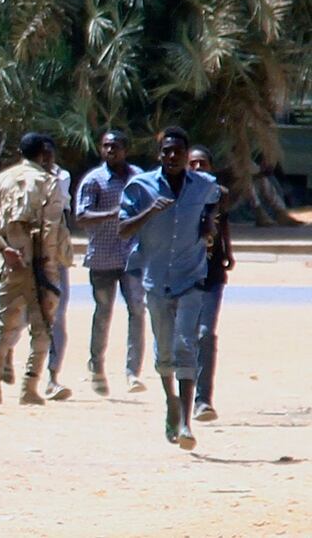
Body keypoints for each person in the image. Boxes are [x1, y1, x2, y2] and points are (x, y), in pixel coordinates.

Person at [119, 127, 221, 450]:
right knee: (164, 352)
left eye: (178, 151)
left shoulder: (202, 184)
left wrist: (208, 221)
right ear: (159, 155)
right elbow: (123, 230)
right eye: (167, 151)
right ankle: (171, 403)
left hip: (191, 279)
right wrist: (150, 211)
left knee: (185, 346)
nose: (172, 156)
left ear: (187, 154)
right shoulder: (141, 187)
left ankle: (186, 422)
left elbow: (222, 195)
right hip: (156, 279)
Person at [0, 132, 65, 405]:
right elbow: (51, 227)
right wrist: (48, 263)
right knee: (42, 327)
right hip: (41, 263)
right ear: (43, 153)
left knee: (5, 325)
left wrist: (4, 248)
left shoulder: (2, 179)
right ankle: (29, 387)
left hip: (13, 261)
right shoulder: (49, 183)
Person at [75, 130, 147, 396]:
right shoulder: (94, 181)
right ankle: (96, 366)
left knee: (137, 311)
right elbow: (82, 217)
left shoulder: (138, 178)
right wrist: (112, 214)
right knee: (103, 312)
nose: (110, 151)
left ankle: (132, 373)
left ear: (125, 149)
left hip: (133, 257)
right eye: (106, 146)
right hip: (103, 257)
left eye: (115, 146)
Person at [2, 147, 75, 401]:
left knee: (56, 316)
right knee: (21, 311)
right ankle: (8, 354)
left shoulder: (59, 179)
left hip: (53, 258)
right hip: (27, 257)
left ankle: (51, 378)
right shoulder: (14, 181)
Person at [188, 145, 234, 422]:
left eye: (202, 163)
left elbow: (224, 223)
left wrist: (228, 251)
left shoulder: (219, 195)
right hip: (183, 275)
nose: (197, 168)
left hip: (212, 275)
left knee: (205, 333)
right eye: (192, 163)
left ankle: (203, 400)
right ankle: (181, 397)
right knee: (184, 338)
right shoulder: (179, 194)